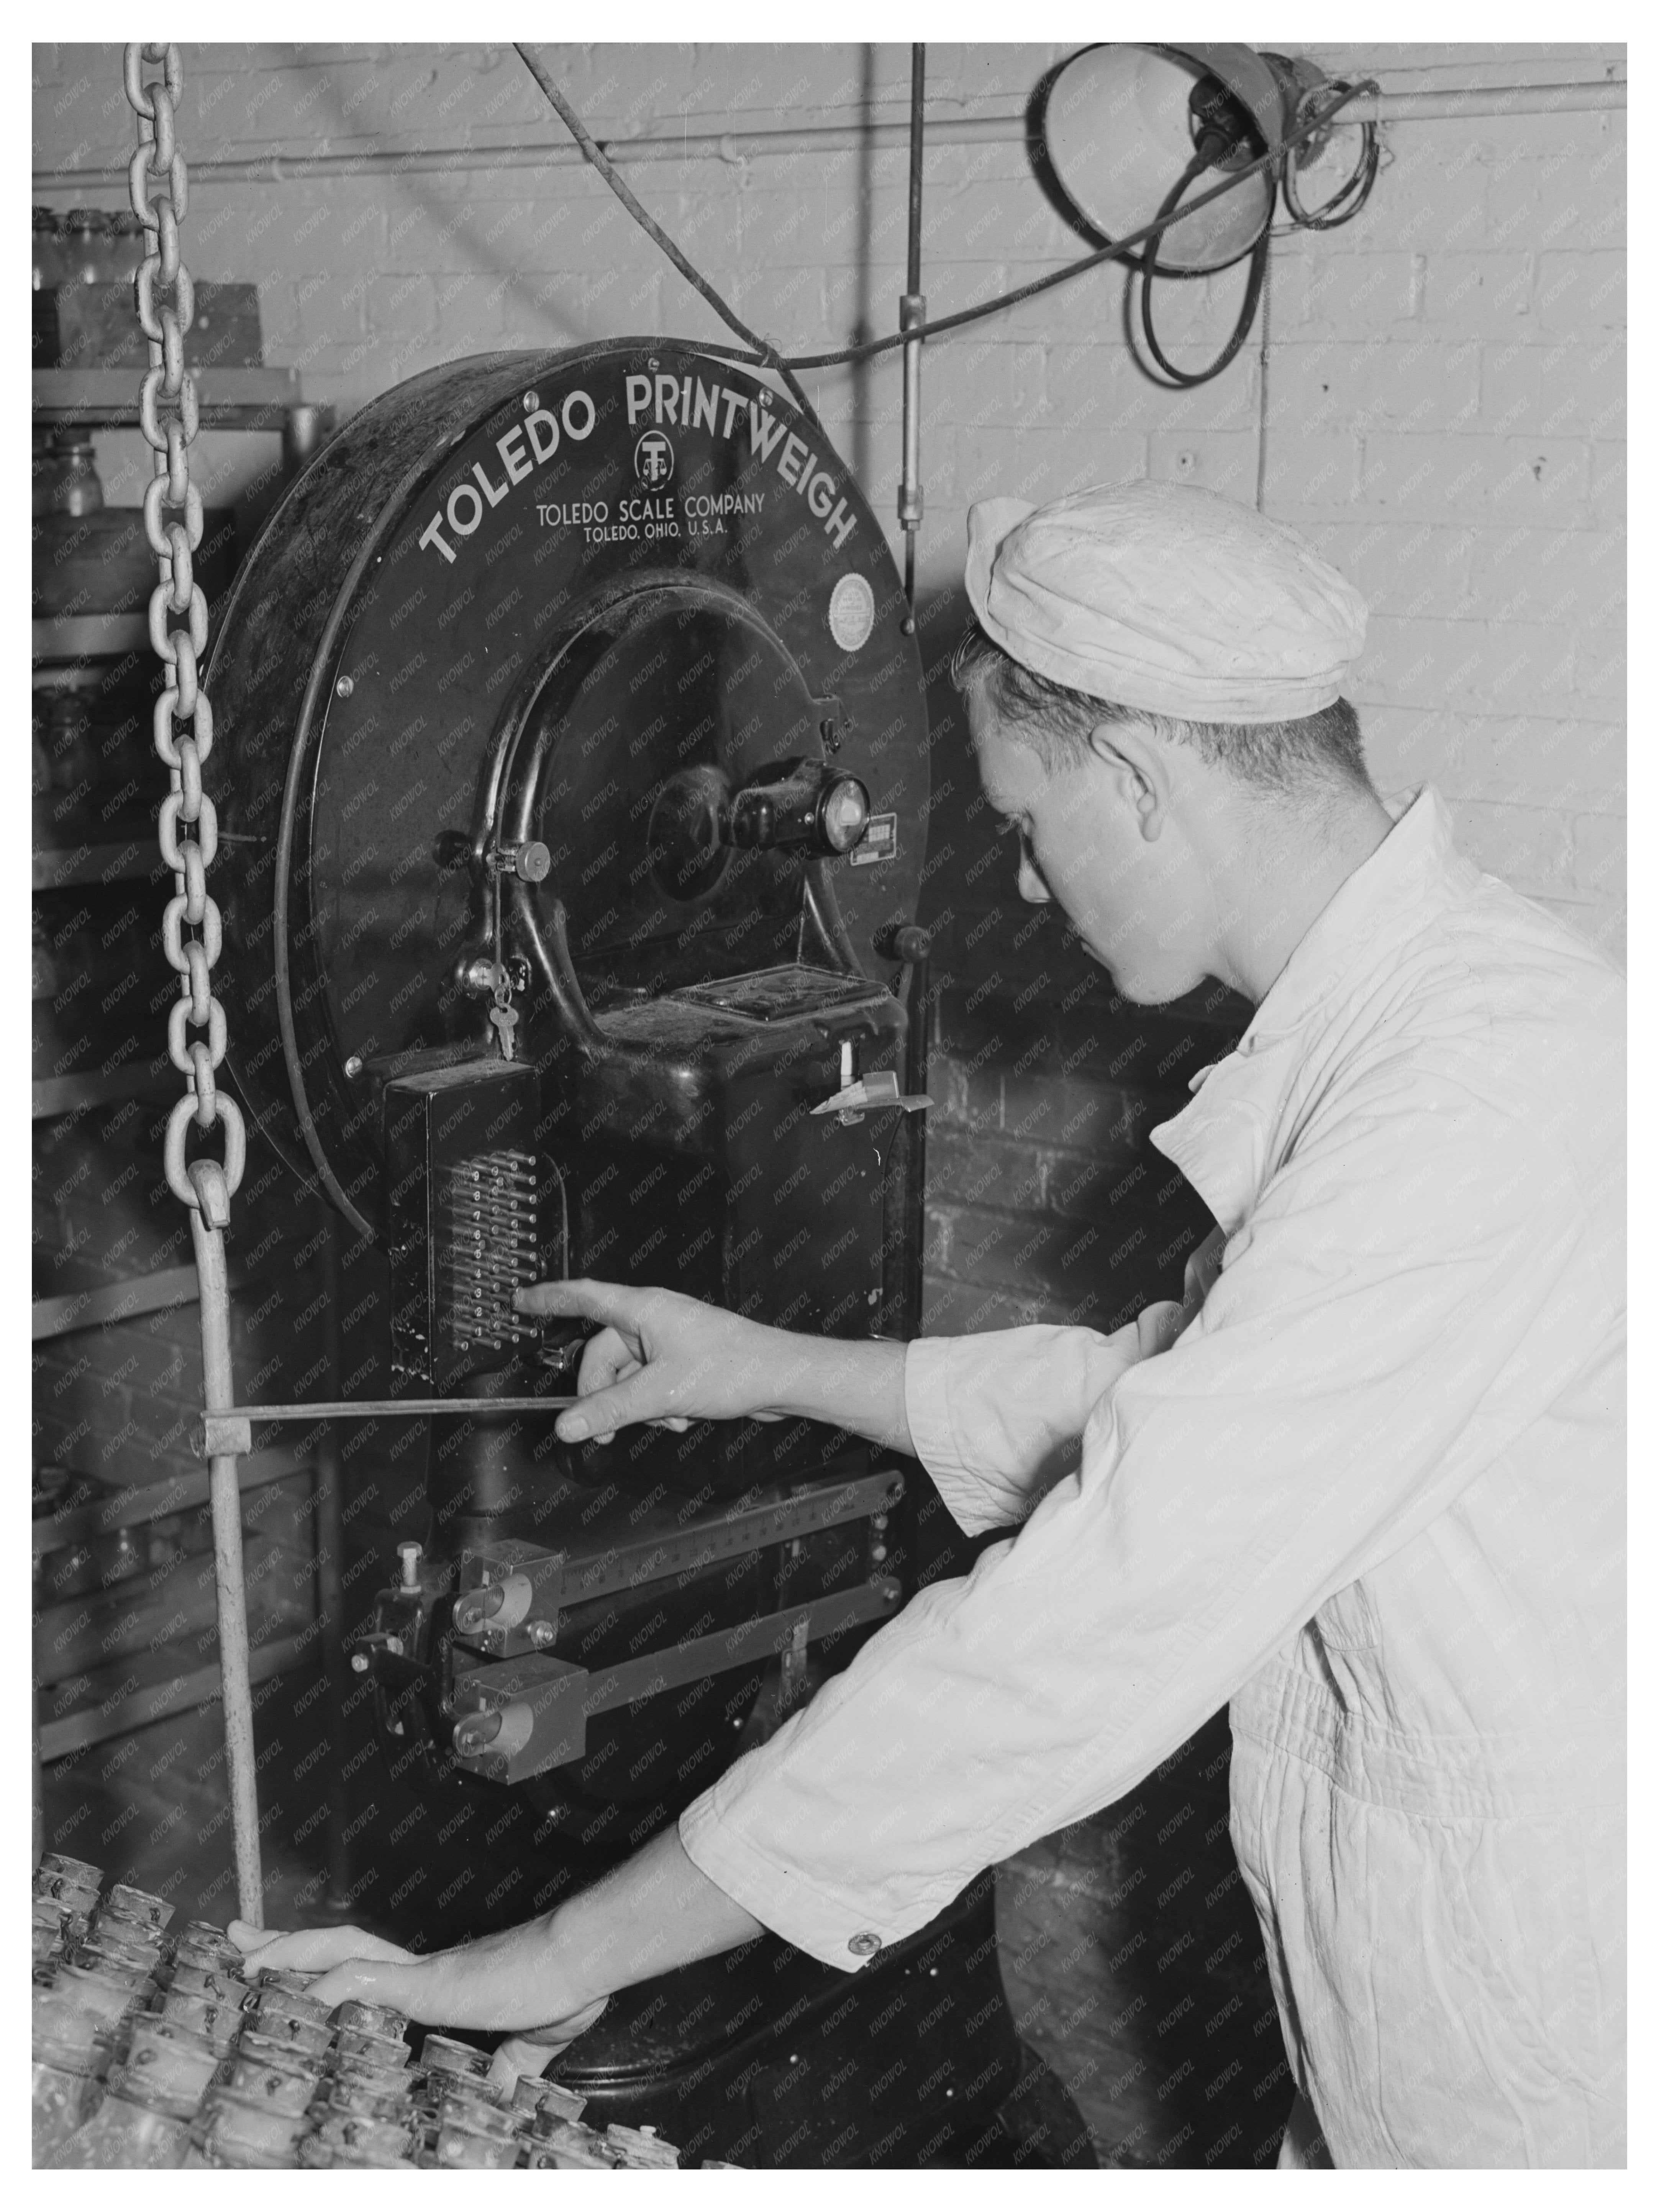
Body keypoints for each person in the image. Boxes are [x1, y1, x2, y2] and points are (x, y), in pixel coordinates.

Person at [234, 481, 1625, 2168]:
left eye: (1026, 823)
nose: (1023, 884)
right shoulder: (1435, 1027)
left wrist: (551, 1952)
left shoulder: (1464, 1108)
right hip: (1423, 2031)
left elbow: (1088, 1614)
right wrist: (762, 1367)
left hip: (1539, 2078)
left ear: (1139, 779)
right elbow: (1156, 1395)